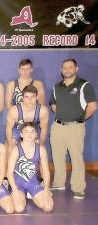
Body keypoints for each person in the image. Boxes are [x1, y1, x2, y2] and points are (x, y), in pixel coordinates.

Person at [50, 58, 97, 199]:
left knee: (76, 158)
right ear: (61, 70)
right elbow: (54, 106)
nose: (67, 69)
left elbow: (93, 106)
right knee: (57, 157)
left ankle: (78, 188)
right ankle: (59, 182)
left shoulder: (84, 85)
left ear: (76, 69)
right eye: (65, 67)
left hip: (75, 127)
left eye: (70, 67)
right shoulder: (56, 87)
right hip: (58, 126)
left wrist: (80, 119)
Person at [7, 122, 53, 212]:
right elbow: (9, 173)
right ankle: (22, 194)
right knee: (19, 208)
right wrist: (15, 190)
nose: (30, 134)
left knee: (48, 207)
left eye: (32, 131)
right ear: (21, 134)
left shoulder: (41, 149)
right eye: (26, 131)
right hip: (18, 185)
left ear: (36, 134)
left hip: (33, 183)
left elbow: (46, 171)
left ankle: (31, 193)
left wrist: (47, 189)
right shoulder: (16, 150)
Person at [6, 85, 49, 151]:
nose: (30, 100)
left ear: (37, 97)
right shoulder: (14, 110)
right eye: (27, 97)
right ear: (22, 98)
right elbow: (9, 129)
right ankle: (10, 160)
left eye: (32, 96)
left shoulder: (42, 111)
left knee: (39, 147)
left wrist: (41, 145)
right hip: (17, 131)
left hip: (33, 131)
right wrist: (10, 144)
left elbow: (44, 129)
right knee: (10, 145)